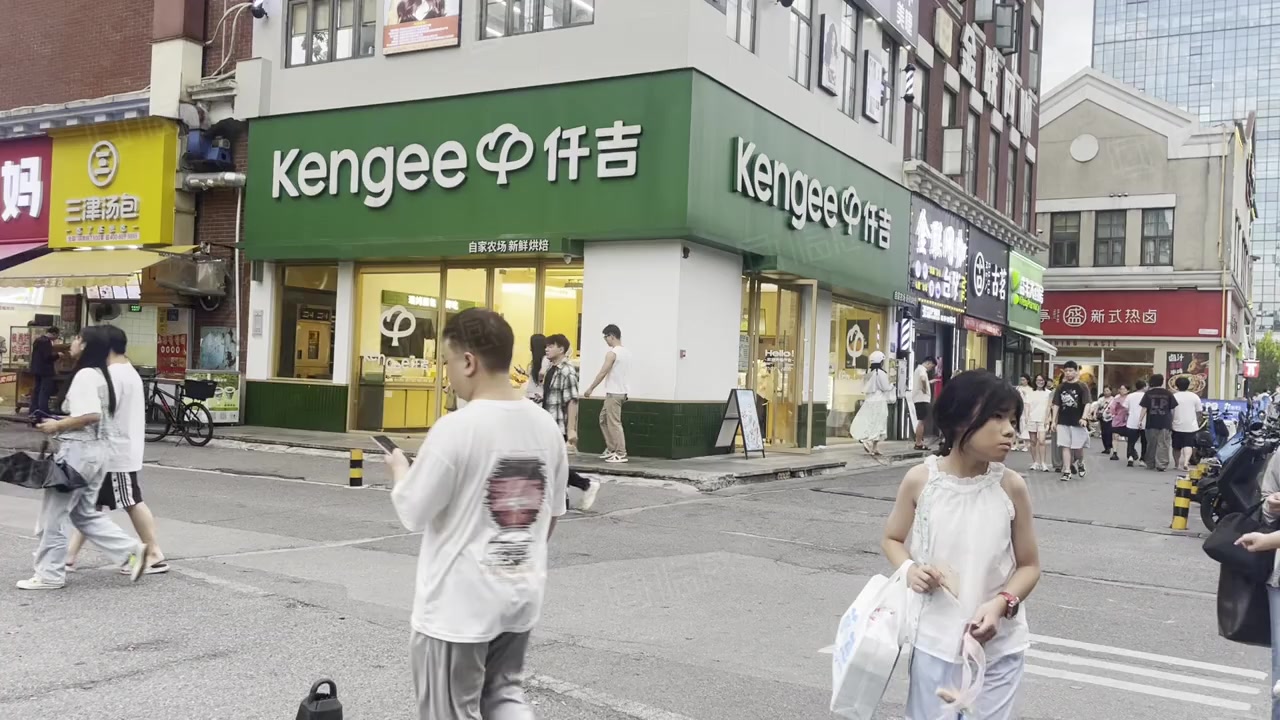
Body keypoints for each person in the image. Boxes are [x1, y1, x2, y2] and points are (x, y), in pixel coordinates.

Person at [385, 308, 568, 720]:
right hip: (519, 598)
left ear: (468, 361)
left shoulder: (456, 428)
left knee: (450, 710)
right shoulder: (545, 427)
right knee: (503, 697)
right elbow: (551, 515)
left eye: (447, 361)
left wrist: (400, 469)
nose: (447, 373)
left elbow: (412, 510)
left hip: (458, 610)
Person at [881, 370, 1041, 719]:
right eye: (996, 417)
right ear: (957, 419)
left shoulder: (1011, 486)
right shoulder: (922, 481)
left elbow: (1030, 566)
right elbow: (892, 539)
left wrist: (1001, 604)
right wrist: (910, 570)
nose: (1009, 430)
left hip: (998, 648)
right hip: (934, 642)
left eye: (1012, 420)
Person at [17, 326, 149, 590]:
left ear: (86, 345)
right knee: (83, 513)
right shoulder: (101, 374)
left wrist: (57, 425)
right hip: (97, 453)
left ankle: (49, 575)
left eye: (77, 339)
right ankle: (130, 550)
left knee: (55, 515)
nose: (72, 343)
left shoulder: (86, 375)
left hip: (78, 453)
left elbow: (90, 415)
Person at [65, 326, 168, 574]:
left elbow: (98, 414)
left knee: (130, 500)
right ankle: (68, 556)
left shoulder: (112, 374)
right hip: (114, 449)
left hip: (115, 452)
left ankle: (154, 553)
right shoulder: (126, 370)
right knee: (88, 506)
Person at [542, 334, 601, 511]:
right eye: (546, 346)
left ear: (561, 349)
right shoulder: (551, 369)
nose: (546, 349)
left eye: (551, 346)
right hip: (548, 423)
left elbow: (572, 401)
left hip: (558, 425)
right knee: (553, 463)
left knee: (552, 463)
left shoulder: (567, 371)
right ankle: (566, 496)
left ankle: (586, 485)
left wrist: (571, 429)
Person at [584, 324, 630, 464]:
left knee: (614, 423)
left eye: (606, 337)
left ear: (612, 336)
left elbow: (603, 372)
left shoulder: (612, 353)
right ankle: (611, 449)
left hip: (614, 393)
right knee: (603, 419)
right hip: (619, 392)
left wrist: (591, 388)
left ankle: (621, 453)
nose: (605, 340)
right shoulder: (626, 352)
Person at [1050, 362, 1092, 482]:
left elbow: (1087, 403)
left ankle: (1080, 462)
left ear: (1076, 372)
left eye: (1070, 371)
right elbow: (1056, 404)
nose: (1068, 373)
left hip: (1077, 421)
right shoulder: (1061, 387)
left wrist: (1084, 418)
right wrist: (1053, 421)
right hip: (1063, 421)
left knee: (1078, 448)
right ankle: (1067, 470)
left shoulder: (1082, 386)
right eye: (1066, 371)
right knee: (1065, 446)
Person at [849, 351, 894, 456]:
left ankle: (874, 447)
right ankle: (869, 442)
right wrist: (892, 385)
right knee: (879, 424)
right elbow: (885, 387)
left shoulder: (868, 372)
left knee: (869, 422)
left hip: (869, 400)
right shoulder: (881, 373)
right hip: (879, 401)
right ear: (881, 361)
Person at [1139, 374, 1176, 472]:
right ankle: (1162, 464)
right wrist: (1172, 420)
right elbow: (1172, 409)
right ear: (1162, 382)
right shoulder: (1168, 393)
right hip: (1165, 422)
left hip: (1151, 421)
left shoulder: (1148, 394)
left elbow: (1144, 408)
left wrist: (1140, 420)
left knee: (1151, 443)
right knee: (1163, 443)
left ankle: (1150, 463)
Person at [1171, 376, 1204, 472]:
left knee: (1176, 447)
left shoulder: (1174, 396)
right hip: (1191, 425)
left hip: (1176, 425)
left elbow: (1171, 411)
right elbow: (1199, 412)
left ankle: (1177, 464)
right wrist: (1198, 422)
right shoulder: (1194, 396)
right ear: (1188, 385)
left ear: (1176, 386)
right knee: (1188, 445)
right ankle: (1185, 462)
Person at [29, 325, 62, 417]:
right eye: (57, 336)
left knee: (37, 390)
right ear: (54, 333)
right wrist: (58, 355)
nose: (56, 338)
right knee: (44, 391)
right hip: (45, 371)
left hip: (36, 369)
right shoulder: (46, 342)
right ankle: (43, 411)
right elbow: (47, 357)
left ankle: (34, 410)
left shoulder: (38, 340)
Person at [1025, 374, 1053, 472]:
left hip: (1043, 419)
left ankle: (1043, 463)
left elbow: (1049, 407)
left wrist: (1048, 418)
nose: (1040, 382)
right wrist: (1027, 417)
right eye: (1038, 380)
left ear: (1045, 381)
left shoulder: (1049, 393)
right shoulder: (1030, 392)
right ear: (1035, 381)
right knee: (1033, 441)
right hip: (1032, 419)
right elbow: (1027, 406)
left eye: (1042, 380)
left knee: (1042, 441)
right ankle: (1035, 462)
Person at [912, 357, 937, 450]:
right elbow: (922, 379)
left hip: (919, 399)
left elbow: (922, 380)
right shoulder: (922, 369)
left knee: (921, 421)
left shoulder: (918, 369)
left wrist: (929, 382)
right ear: (928, 363)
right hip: (921, 399)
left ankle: (919, 441)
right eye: (932, 366)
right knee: (921, 421)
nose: (931, 368)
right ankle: (918, 443)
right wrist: (925, 389)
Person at [1124, 380, 1148, 467]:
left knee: (1131, 441)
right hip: (1144, 421)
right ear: (1144, 387)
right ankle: (1142, 459)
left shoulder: (1130, 396)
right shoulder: (1146, 395)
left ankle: (1130, 457)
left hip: (1132, 421)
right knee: (1144, 442)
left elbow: (1125, 408)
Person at [1107, 385, 1130, 462]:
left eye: (1123, 389)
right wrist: (1112, 413)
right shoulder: (1116, 398)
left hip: (1127, 420)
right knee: (1115, 436)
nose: (1121, 390)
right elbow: (1112, 408)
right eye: (1120, 389)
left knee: (1128, 437)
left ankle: (1131, 451)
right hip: (1117, 420)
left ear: (1128, 390)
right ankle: (1115, 452)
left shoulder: (1129, 398)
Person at [1014, 375, 1033, 452]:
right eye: (1021, 380)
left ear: (1027, 380)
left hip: (1026, 409)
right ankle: (1016, 444)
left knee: (1024, 426)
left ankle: (1026, 444)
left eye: (1024, 380)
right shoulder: (1018, 388)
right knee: (1017, 426)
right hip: (1018, 408)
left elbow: (1031, 400)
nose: (1022, 381)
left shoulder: (1031, 389)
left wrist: (1025, 395)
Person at [1095, 386, 1115, 457]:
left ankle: (1109, 446)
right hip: (1102, 417)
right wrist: (1095, 414)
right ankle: (1106, 447)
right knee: (1103, 432)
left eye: (1107, 390)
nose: (1106, 392)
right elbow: (1097, 407)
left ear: (1111, 391)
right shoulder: (1101, 399)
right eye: (1105, 391)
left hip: (1110, 418)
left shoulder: (1113, 399)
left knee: (1109, 432)